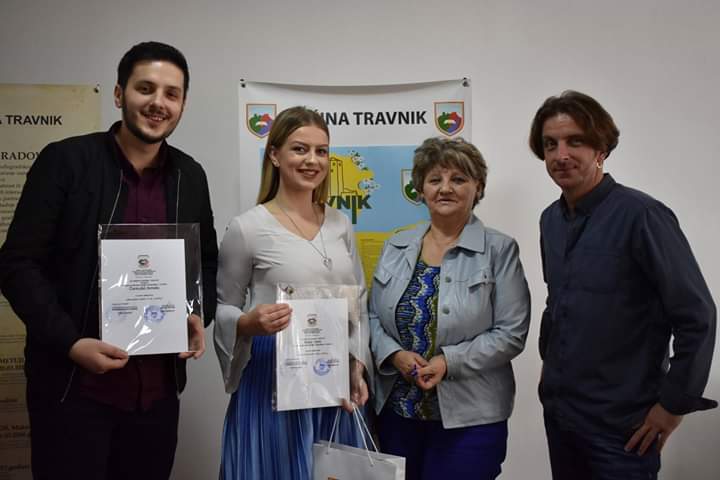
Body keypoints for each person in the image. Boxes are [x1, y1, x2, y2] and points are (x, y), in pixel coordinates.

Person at [0, 41, 217, 480]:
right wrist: (71, 343)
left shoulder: (190, 176)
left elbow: (207, 264)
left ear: (183, 104)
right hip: (73, 393)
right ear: (119, 94)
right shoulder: (66, 161)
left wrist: (198, 314)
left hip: (156, 399)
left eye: (171, 93)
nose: (158, 103)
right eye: (145, 88)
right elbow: (17, 264)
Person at [530, 90, 717, 479]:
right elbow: (557, 302)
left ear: (601, 149)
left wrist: (672, 406)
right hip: (562, 417)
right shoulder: (550, 220)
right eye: (550, 144)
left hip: (622, 429)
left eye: (575, 141)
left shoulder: (642, 215)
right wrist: (550, 366)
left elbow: (696, 315)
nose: (560, 155)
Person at [214, 106, 372, 479]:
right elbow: (223, 307)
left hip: (332, 378)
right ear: (274, 154)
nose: (312, 160)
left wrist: (357, 365)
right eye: (300, 149)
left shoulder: (340, 223)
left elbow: (358, 303)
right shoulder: (247, 228)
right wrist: (248, 323)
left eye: (321, 151)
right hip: (273, 380)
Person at [368, 137, 531, 479]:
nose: (445, 188)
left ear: (478, 187)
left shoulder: (499, 249)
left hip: (472, 420)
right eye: (435, 179)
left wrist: (448, 362)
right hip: (397, 414)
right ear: (420, 189)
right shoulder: (396, 244)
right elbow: (371, 316)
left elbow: (511, 333)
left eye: (458, 179)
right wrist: (394, 355)